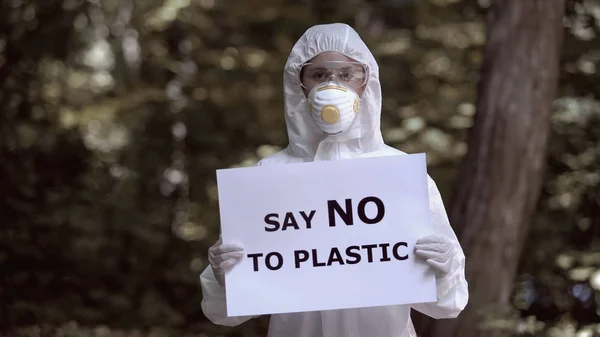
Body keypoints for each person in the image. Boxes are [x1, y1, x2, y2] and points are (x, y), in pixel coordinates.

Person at [200, 22, 468, 337]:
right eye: (319, 75)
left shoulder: (399, 174)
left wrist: (444, 270)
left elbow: (448, 306)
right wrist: (225, 279)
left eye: (346, 74)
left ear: (366, 82)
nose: (332, 86)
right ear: (298, 83)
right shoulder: (268, 178)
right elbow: (222, 313)